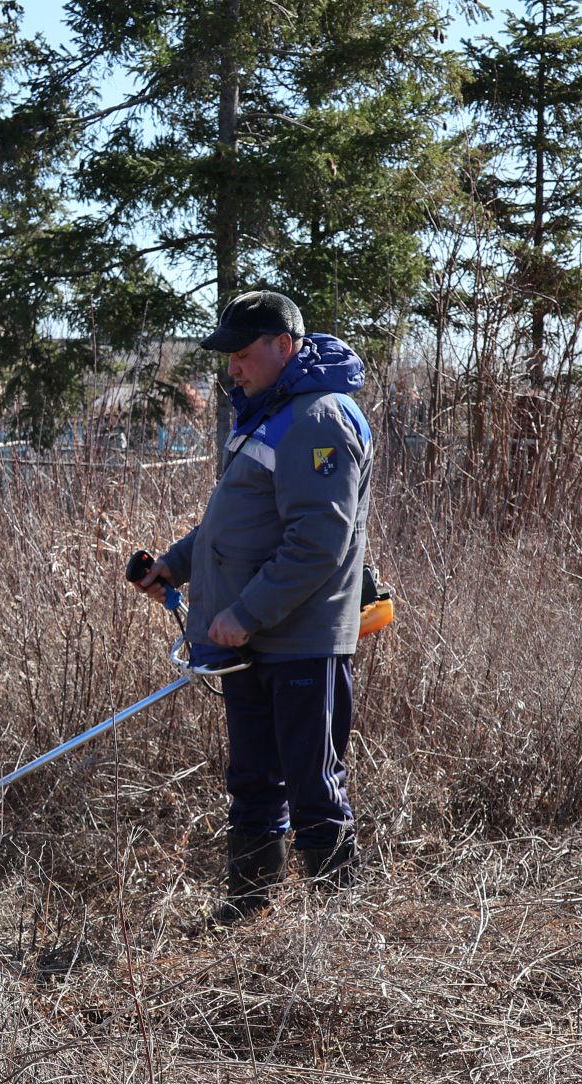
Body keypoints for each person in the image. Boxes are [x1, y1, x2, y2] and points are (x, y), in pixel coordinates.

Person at [132, 290, 374, 927]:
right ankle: (248, 913)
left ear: (283, 347)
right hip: (249, 645)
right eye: (229, 357)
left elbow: (319, 542)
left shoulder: (317, 418)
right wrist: (175, 566)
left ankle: (333, 931)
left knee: (312, 785)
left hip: (299, 641)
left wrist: (246, 612)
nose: (232, 368)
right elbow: (235, 525)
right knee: (253, 782)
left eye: (241, 354)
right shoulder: (268, 415)